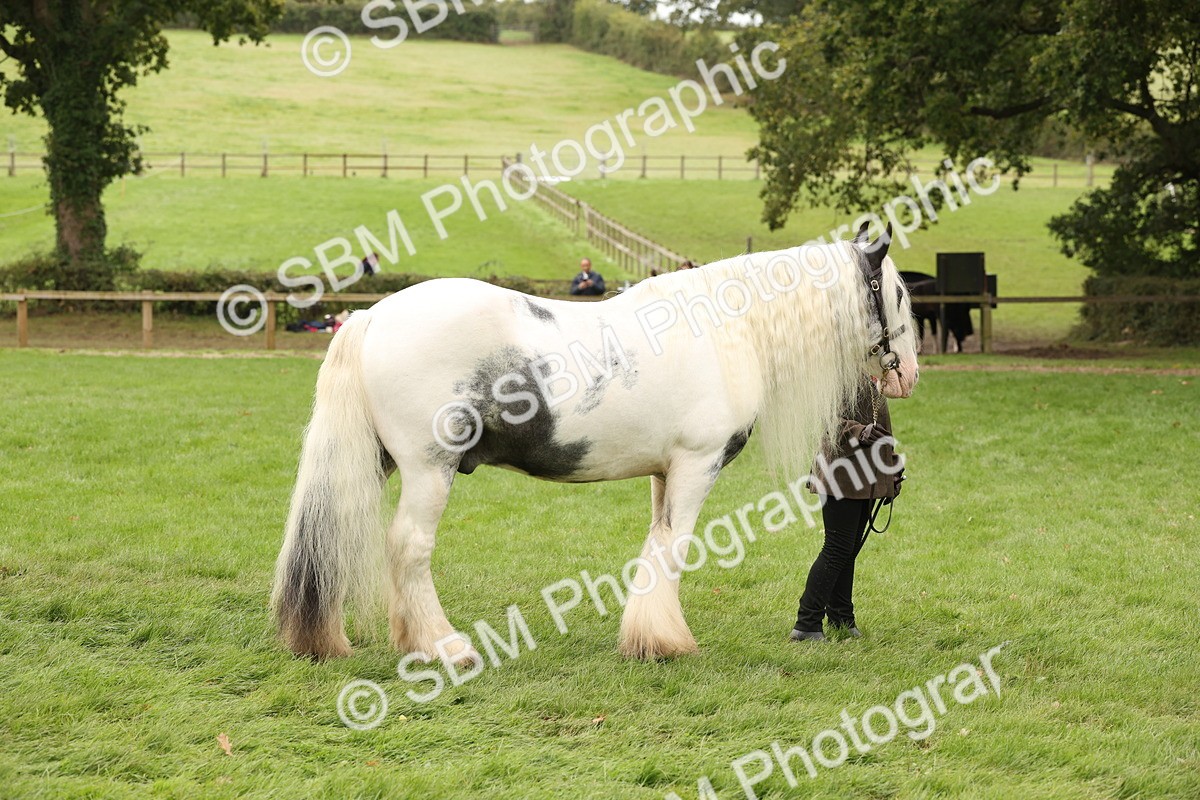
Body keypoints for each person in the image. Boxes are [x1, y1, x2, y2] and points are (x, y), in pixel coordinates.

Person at [790, 376, 905, 642]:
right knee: (837, 549)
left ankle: (842, 617)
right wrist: (859, 432)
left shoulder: (873, 378)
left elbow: (881, 431)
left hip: (865, 475)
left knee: (848, 549)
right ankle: (806, 624)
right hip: (839, 474)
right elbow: (827, 421)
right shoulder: (841, 374)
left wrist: (892, 466)